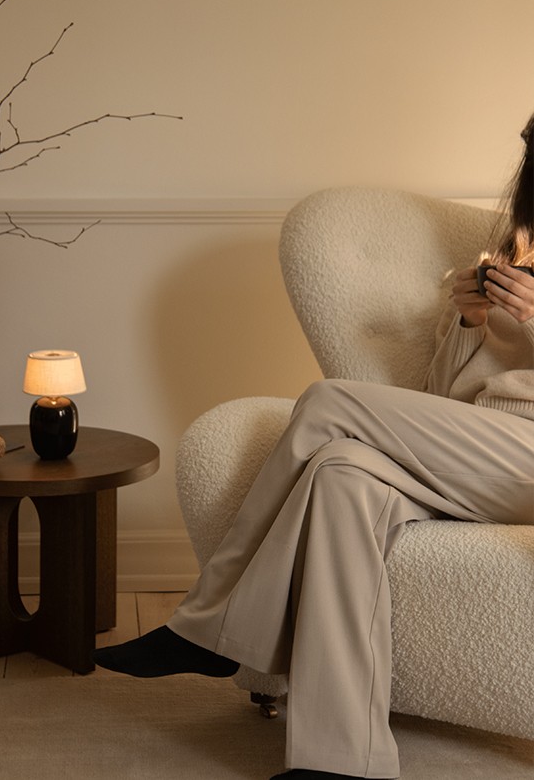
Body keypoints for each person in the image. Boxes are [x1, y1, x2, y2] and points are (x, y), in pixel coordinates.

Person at [94, 113, 534, 780]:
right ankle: (340, 758)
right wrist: (469, 320)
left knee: (329, 402)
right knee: (341, 472)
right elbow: (443, 397)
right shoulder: (518, 244)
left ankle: (208, 618)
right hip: (475, 448)